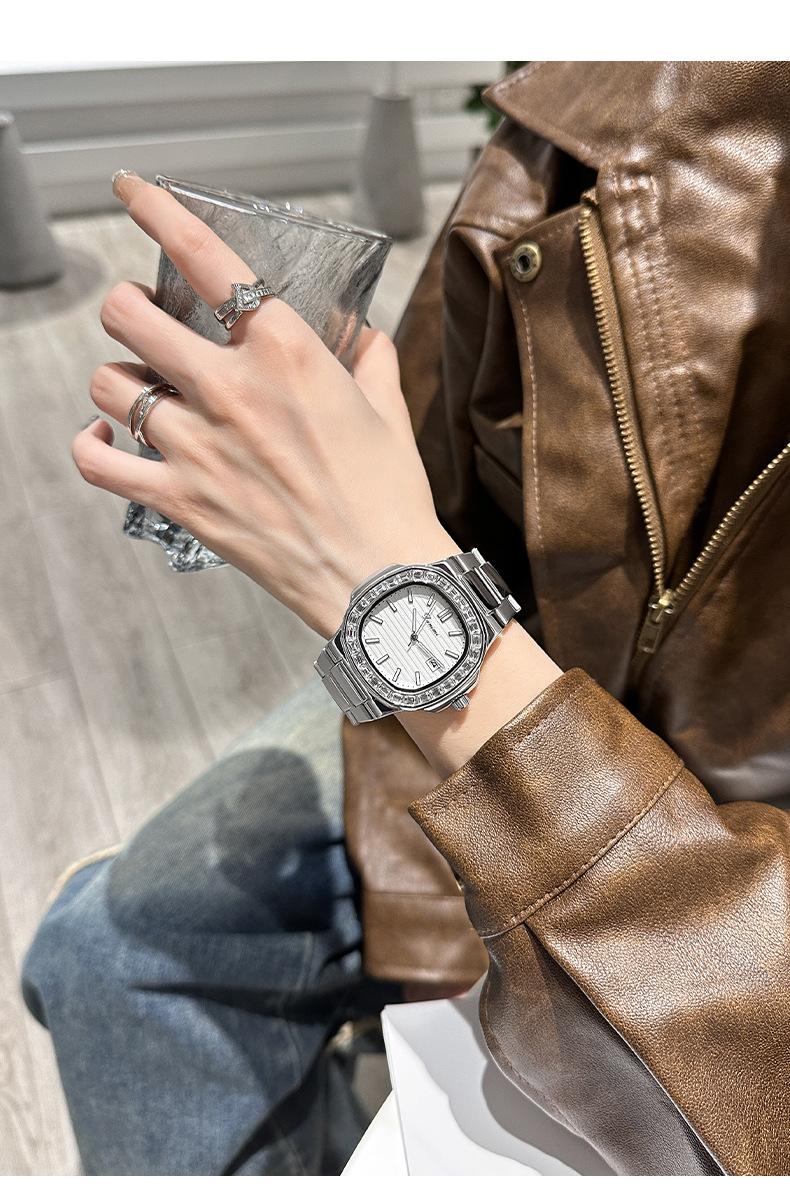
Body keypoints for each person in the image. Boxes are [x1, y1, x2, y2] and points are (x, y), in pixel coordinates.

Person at [23, 62, 790, 1176]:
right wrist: (440, 918)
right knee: (104, 949)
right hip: (513, 683)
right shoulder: (591, 127)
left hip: (631, 822)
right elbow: (444, 506)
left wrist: (390, 592)